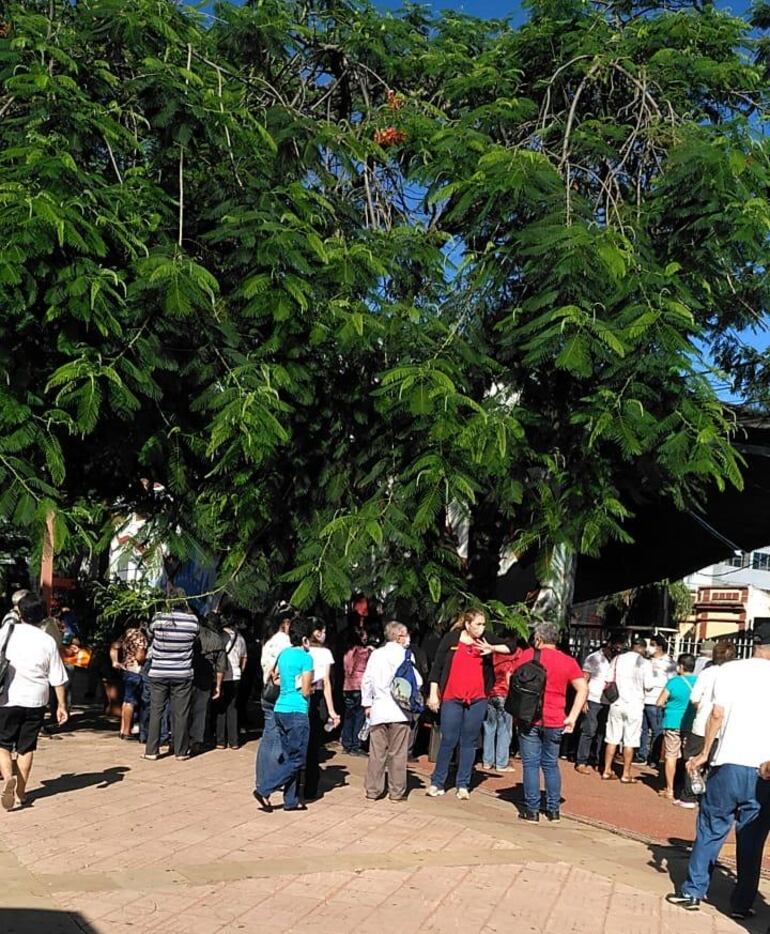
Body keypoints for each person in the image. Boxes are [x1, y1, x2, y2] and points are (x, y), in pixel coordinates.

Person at [667, 621, 770, 918]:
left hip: (729, 761)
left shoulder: (730, 671)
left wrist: (703, 753)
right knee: (753, 837)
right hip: (764, 769)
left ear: (754, 642)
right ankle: (742, 903)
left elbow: (716, 714)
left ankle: (692, 891)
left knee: (711, 827)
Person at [426, 608, 516, 800]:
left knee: (469, 741)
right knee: (449, 739)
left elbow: (511, 647)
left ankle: (463, 783)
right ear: (467, 624)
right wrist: (434, 694)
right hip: (452, 697)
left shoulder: (486, 639)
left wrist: (492, 648)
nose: (482, 629)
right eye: (478, 624)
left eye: (484, 624)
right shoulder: (451, 639)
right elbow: (437, 667)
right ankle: (437, 781)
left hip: (477, 698)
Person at [509, 621, 587, 822]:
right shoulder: (568, 661)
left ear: (539, 638)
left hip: (529, 718)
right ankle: (553, 810)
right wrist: (572, 716)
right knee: (551, 764)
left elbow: (511, 675)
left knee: (531, 764)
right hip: (556, 718)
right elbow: (582, 688)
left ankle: (532, 810)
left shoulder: (527, 655)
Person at [0, 593, 69, 809]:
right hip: (37, 699)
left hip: (8, 697)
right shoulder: (48, 640)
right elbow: (57, 676)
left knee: (2, 744)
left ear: (19, 612)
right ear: (43, 617)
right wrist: (62, 706)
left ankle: (7, 776)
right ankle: (21, 792)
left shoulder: (6, 632)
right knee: (26, 747)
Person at [254, 617, 314, 812]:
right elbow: (305, 690)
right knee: (298, 759)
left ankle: (291, 800)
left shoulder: (284, 654)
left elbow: (275, 677)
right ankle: (265, 788)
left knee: (289, 755)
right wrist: (312, 687)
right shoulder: (306, 658)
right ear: (305, 638)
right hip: (297, 710)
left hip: (280, 708)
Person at [361, 621, 422, 801]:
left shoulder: (376, 655)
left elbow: (367, 680)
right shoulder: (407, 656)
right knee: (398, 753)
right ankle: (396, 792)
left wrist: (367, 704)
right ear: (399, 636)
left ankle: (373, 790)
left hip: (378, 709)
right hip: (400, 711)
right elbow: (417, 682)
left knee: (377, 753)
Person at [677, 641, 735, 808]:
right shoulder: (736, 675)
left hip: (702, 723)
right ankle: (710, 797)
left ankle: (689, 795)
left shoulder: (707, 673)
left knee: (692, 758)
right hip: (724, 727)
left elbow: (694, 698)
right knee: (715, 763)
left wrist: (702, 707)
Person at [143, 591, 199, 762]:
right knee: (181, 713)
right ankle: (181, 751)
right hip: (182, 672)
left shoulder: (159, 618)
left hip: (159, 671)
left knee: (156, 711)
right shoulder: (193, 621)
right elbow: (195, 639)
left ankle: (152, 750)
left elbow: (150, 634)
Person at [601, 636, 652, 783]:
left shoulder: (617, 659)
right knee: (631, 740)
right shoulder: (645, 664)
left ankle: (606, 770)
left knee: (612, 738)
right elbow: (648, 686)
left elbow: (608, 679)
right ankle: (626, 773)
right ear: (642, 648)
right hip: (635, 705)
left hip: (617, 702)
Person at [255, 603, 294, 791]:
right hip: (280, 693)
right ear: (286, 623)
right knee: (277, 738)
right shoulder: (286, 644)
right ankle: (272, 777)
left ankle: (263, 776)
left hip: (267, 692)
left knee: (268, 736)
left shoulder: (269, 640)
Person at [303, 618, 340, 800]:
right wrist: (332, 711)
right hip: (315, 698)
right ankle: (310, 788)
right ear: (316, 632)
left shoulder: (299, 649)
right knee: (312, 746)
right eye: (323, 630)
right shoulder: (325, 653)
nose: (324, 634)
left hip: (297, 696)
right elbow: (326, 682)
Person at [574, 637, 621, 774]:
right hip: (593, 699)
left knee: (603, 733)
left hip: (609, 701)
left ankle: (598, 760)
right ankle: (581, 761)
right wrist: (583, 700)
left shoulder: (617, 660)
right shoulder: (593, 658)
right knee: (588, 730)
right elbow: (584, 679)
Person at [656, 653, 697, 804]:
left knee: (671, 756)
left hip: (672, 722)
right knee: (689, 756)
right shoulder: (698, 682)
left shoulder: (673, 682)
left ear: (680, 666)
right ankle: (690, 788)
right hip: (690, 723)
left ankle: (670, 789)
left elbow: (659, 701)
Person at [189, 613, 226, 755]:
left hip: (188, 674)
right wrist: (218, 686)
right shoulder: (217, 639)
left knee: (184, 708)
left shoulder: (193, 634)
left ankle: (180, 739)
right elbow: (220, 666)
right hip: (206, 676)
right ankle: (197, 742)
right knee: (201, 710)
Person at [639, 634, 676, 765]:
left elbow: (670, 682)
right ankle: (641, 754)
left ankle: (653, 757)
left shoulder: (669, 664)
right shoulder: (647, 661)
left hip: (656, 700)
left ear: (659, 647)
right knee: (642, 729)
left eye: (653, 644)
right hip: (643, 699)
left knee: (656, 730)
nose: (650, 648)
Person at [481, 646, 519, 772]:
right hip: (504, 694)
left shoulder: (493, 653)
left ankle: (487, 761)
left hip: (490, 693)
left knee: (489, 728)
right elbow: (510, 675)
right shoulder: (514, 654)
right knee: (504, 730)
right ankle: (501, 763)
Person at [110, 623, 148, 740]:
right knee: (131, 701)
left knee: (126, 701)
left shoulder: (128, 633)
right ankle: (127, 731)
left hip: (126, 669)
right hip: (136, 670)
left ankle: (123, 729)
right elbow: (140, 656)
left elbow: (114, 646)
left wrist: (115, 661)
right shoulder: (140, 637)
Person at [215, 619, 247, 750]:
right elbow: (244, 657)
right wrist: (240, 670)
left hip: (220, 677)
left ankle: (220, 741)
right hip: (236, 676)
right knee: (232, 708)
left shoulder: (218, 637)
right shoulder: (240, 638)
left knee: (220, 709)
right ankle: (234, 741)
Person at [341, 628, 371, 756]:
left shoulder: (347, 652)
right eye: (364, 636)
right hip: (360, 686)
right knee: (359, 716)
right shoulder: (364, 652)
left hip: (348, 686)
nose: (366, 638)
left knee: (349, 716)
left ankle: (346, 743)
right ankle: (355, 745)